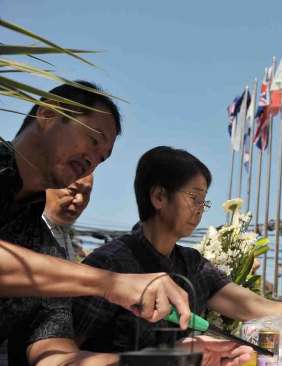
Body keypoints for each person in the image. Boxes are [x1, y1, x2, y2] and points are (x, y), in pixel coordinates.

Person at [72, 146, 282, 357]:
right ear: (158, 197)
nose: (200, 210)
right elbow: (64, 354)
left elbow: (255, 306)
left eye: (204, 200)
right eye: (194, 198)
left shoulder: (191, 264)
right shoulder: (109, 266)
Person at [0, 82, 196, 365]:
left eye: (102, 158)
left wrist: (153, 361)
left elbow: (52, 353)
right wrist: (111, 283)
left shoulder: (46, 249)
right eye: (93, 139)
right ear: (47, 115)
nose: (93, 160)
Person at [43, 174, 94, 261]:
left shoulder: (66, 239)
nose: (80, 200)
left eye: (86, 193)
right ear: (46, 187)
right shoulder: (23, 228)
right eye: (72, 190)